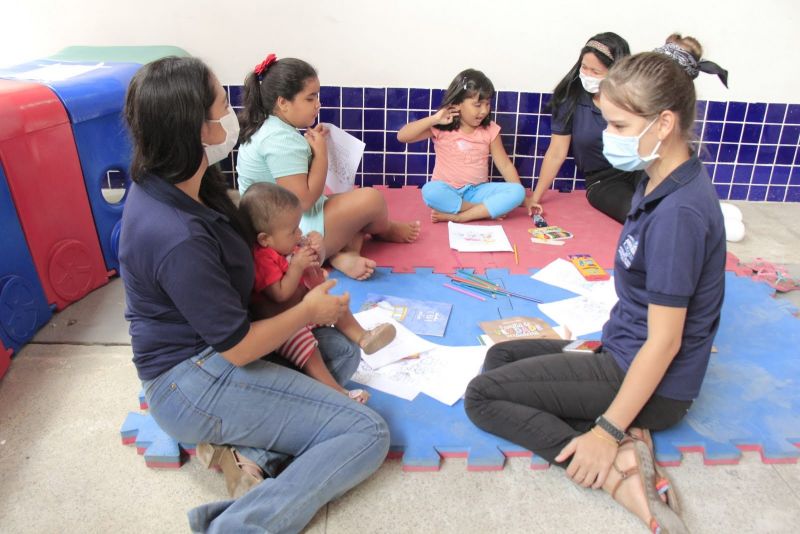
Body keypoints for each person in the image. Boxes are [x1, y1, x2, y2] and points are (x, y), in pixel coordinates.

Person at [465, 39, 727, 534]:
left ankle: (613, 464)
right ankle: (624, 434)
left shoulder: (680, 214)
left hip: (650, 379)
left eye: (620, 126)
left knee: (482, 397)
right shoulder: (657, 178)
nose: (608, 137)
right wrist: (599, 341)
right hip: (621, 347)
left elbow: (666, 340)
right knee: (501, 356)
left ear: (664, 124)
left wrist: (605, 431)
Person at [120, 56, 389, 533]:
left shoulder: (186, 180)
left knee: (339, 354)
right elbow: (239, 345)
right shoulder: (176, 233)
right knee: (365, 431)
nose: (232, 112)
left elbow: (253, 259)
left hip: (218, 348)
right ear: (195, 126)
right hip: (193, 377)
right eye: (222, 104)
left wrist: (296, 258)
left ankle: (250, 452)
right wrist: (307, 307)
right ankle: (239, 526)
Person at [236, 53, 420, 281]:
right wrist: (321, 155)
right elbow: (304, 201)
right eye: (310, 98)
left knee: (355, 209)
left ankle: (344, 254)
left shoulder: (271, 128)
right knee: (372, 200)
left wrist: (312, 149)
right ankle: (380, 231)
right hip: (286, 231)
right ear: (283, 103)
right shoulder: (280, 141)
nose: (318, 105)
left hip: (278, 221)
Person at [240, 181, 398, 403]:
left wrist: (315, 255)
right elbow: (280, 294)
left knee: (337, 306)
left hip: (304, 308)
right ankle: (338, 393)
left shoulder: (285, 246)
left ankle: (364, 337)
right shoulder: (263, 258)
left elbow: (311, 280)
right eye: (292, 230)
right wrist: (297, 265)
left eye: (298, 227)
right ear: (265, 239)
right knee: (307, 348)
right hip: (285, 323)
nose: (299, 234)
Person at [529, 32, 636, 223]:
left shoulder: (632, 99)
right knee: (636, 212)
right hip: (604, 181)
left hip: (638, 170)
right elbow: (556, 153)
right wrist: (534, 199)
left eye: (595, 72)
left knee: (664, 205)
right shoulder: (571, 100)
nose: (587, 75)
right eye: (584, 68)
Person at [397, 68, 526, 223]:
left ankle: (461, 216)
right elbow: (402, 136)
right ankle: (481, 210)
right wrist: (434, 119)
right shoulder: (442, 126)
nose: (484, 110)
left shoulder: (490, 130)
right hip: (448, 190)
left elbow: (505, 165)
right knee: (429, 191)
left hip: (478, 191)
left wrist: (523, 200)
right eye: (477, 105)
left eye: (487, 104)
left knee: (518, 191)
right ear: (457, 104)